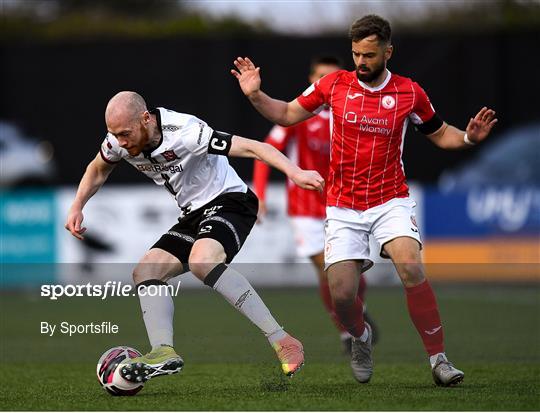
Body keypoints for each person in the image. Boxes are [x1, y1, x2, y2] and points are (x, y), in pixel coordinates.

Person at [231, 15, 497, 386]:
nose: (361, 62)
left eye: (369, 55)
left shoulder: (409, 92)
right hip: (343, 206)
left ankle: (439, 360)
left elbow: (441, 134)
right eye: (356, 54)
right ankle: (360, 338)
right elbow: (287, 113)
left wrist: (468, 138)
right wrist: (256, 94)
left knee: (410, 266)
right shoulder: (333, 85)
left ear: (388, 52)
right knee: (341, 294)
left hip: (391, 200)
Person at [65, 91, 325, 382]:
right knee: (145, 272)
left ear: (145, 119)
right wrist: (77, 206)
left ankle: (282, 340)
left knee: (202, 262)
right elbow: (97, 169)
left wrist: (296, 172)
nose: (121, 143)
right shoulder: (118, 141)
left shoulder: (187, 131)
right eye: (114, 135)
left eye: (125, 134)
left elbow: (254, 147)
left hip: (231, 201)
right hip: (192, 214)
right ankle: (163, 351)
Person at [252, 56, 379, 354]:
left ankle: (355, 313)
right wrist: (260, 195)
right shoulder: (298, 116)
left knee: (355, 277)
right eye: (321, 77)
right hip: (305, 210)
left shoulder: (350, 115)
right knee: (330, 272)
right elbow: (266, 152)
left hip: (345, 206)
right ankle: (348, 332)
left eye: (332, 77)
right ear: (312, 79)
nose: (326, 83)